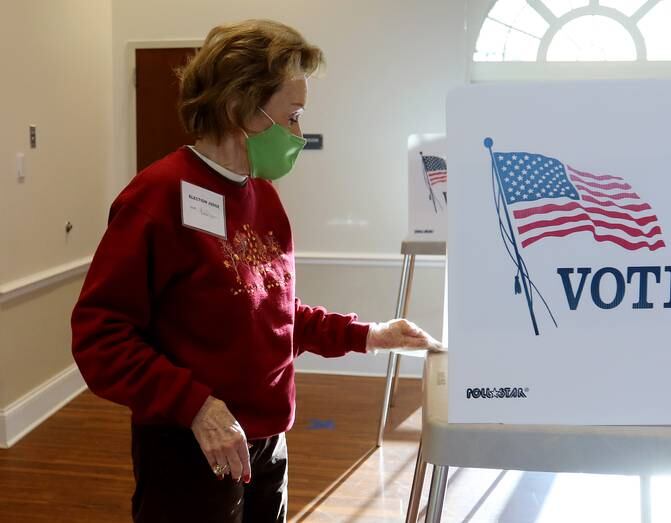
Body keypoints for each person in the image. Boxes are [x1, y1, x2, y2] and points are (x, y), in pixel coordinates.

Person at [71, 19, 442, 523]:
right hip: (193, 447)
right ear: (238, 108)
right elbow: (100, 336)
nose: (298, 133)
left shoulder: (262, 197)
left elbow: (275, 313)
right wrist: (197, 406)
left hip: (267, 441)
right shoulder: (155, 198)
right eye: (291, 116)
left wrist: (369, 335)